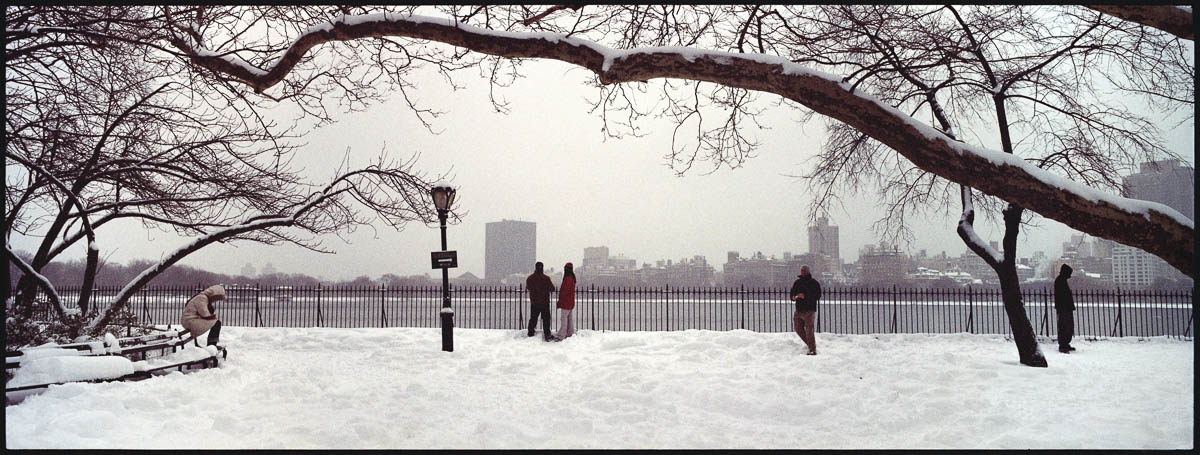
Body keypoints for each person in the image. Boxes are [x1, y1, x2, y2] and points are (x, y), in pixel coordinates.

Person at [789, 265, 821, 355]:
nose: (803, 272)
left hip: (809, 309)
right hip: (799, 309)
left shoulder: (814, 283)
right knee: (797, 328)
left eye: (804, 270)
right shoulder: (797, 282)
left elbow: (817, 295)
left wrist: (805, 296)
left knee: (809, 330)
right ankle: (810, 344)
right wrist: (793, 297)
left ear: (808, 271)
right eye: (802, 270)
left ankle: (812, 349)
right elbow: (792, 293)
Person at [525, 262, 556, 341]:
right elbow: (552, 288)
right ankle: (547, 334)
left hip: (534, 302)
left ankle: (530, 332)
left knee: (533, 318)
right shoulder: (546, 278)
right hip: (544, 302)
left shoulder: (530, 278)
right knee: (546, 319)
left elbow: (528, 287)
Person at [1054, 264, 1077, 353]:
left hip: (1065, 308)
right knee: (1064, 326)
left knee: (1068, 327)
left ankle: (1065, 343)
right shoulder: (1060, 281)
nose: (1070, 275)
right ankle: (1063, 345)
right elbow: (1063, 296)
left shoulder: (1061, 280)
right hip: (1064, 308)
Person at [554, 262, 577, 341]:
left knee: (564, 319)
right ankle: (570, 333)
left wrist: (560, 301)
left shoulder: (567, 279)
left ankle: (561, 335)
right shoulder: (572, 278)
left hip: (566, 302)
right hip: (570, 302)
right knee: (569, 318)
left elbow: (564, 292)